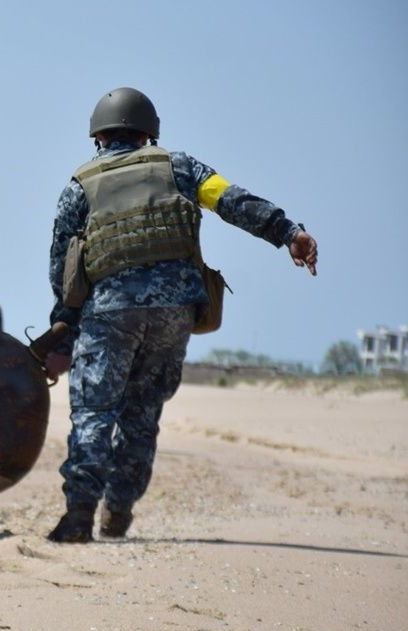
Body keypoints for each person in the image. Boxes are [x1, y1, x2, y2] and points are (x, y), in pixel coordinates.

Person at [44, 87, 318, 543]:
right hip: (174, 314)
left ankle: (78, 515)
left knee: (94, 412)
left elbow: (62, 266)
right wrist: (287, 232)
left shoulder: (80, 185)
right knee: (142, 414)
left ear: (100, 136)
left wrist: (65, 329)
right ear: (149, 133)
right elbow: (233, 201)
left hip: (109, 314)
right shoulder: (182, 168)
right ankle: (117, 511)